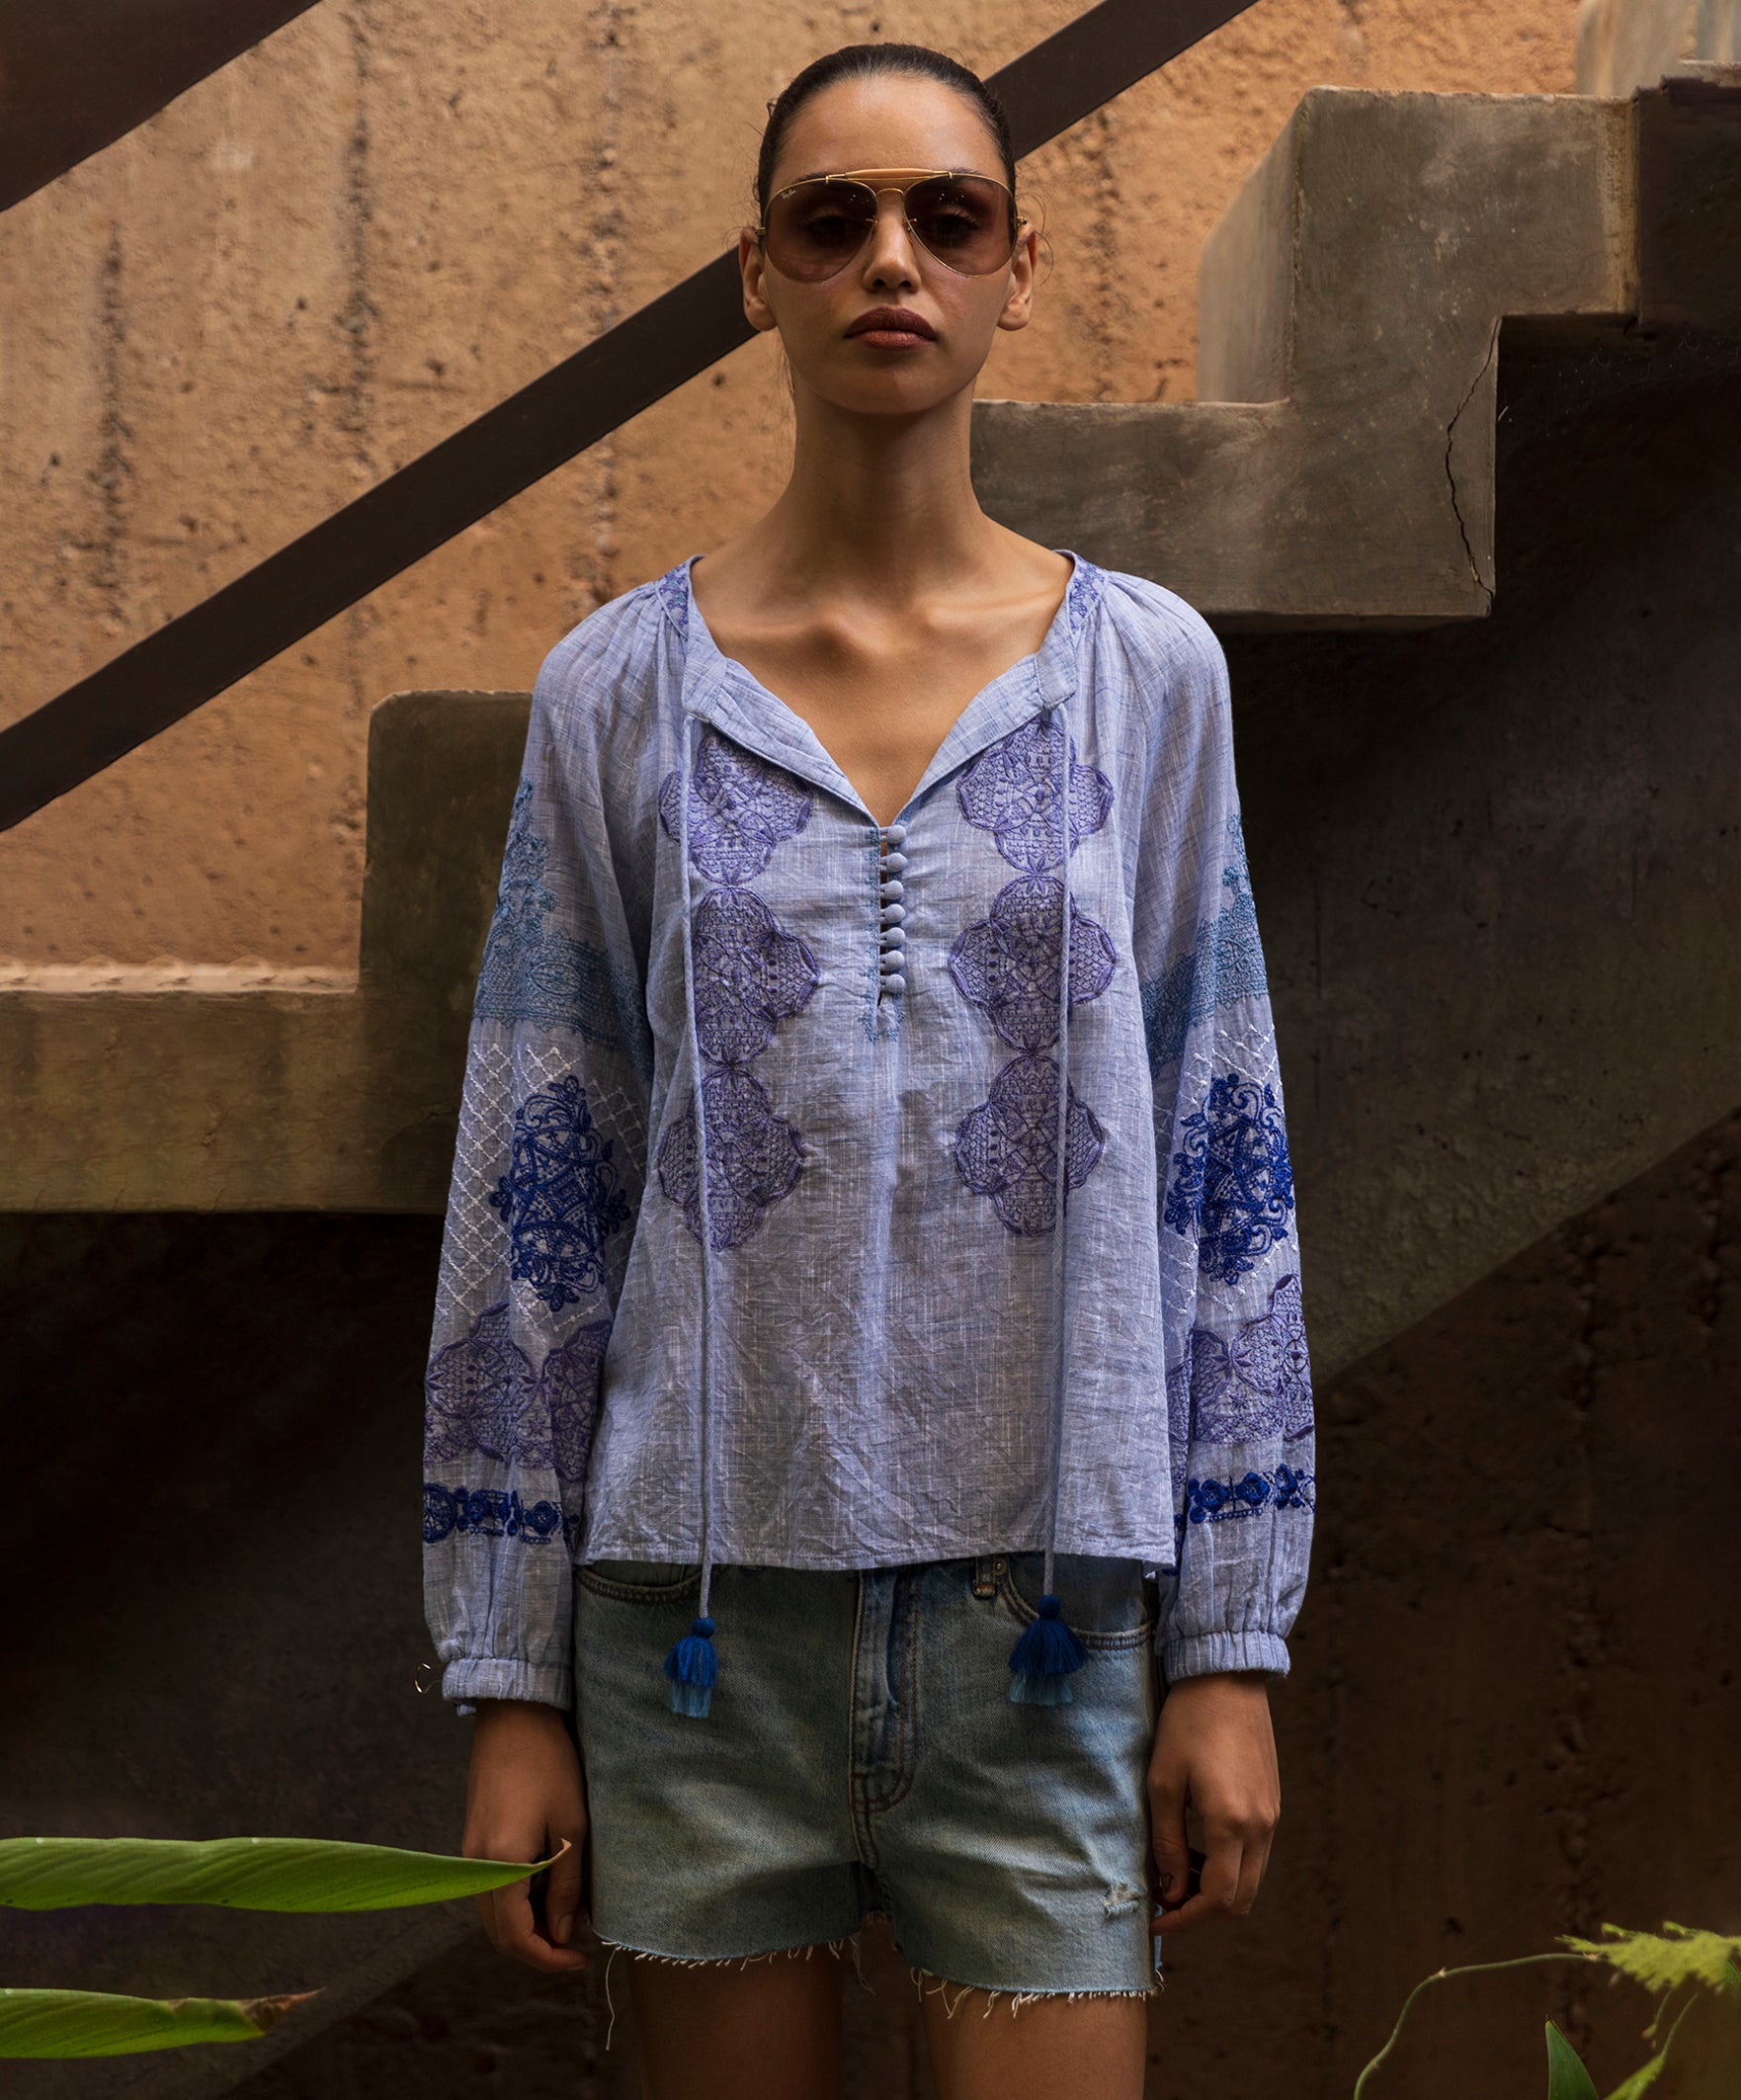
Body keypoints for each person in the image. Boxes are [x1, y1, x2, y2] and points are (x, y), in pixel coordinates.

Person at [422, 41, 1314, 2100]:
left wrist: (1232, 1649)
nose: (887, 261)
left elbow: (1223, 1151)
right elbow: (536, 1176)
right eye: (830, 220)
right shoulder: (614, 694)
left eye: (945, 218)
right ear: (757, 273)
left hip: (1052, 1633)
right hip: (692, 1633)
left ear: (1016, 267)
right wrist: (506, 1678)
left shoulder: (1144, 675)